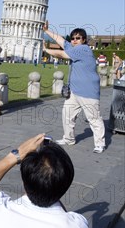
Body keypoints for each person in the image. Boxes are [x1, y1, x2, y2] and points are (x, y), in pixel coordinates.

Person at [43, 22, 106, 154]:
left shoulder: (83, 49)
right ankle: (68, 139)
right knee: (67, 115)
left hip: (88, 92)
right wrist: (47, 31)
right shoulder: (72, 47)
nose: (75, 40)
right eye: (73, 38)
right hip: (75, 92)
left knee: (94, 119)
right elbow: (61, 41)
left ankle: (100, 144)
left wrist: (46, 50)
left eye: (78, 38)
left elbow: (62, 54)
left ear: (84, 40)